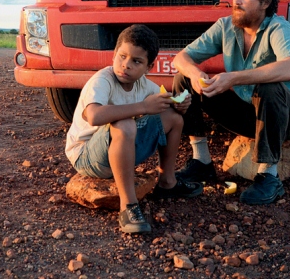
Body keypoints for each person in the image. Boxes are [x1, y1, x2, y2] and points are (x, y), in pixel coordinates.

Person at [171, 0, 290, 205]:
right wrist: (195, 74)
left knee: (269, 86)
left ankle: (269, 176)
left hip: (288, 117)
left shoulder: (278, 27)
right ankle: (201, 161)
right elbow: (181, 58)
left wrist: (234, 78)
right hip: (250, 115)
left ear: (265, 1)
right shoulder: (225, 26)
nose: (236, 0)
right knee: (183, 80)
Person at [65, 24, 203, 234]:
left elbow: (166, 104)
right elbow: (94, 116)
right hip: (86, 156)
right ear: (114, 54)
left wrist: (180, 105)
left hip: (119, 150)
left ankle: (167, 182)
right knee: (125, 123)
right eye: (122, 56)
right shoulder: (102, 80)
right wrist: (143, 107)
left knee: (174, 118)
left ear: (149, 67)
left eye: (136, 61)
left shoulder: (144, 85)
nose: (126, 65)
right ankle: (128, 206)